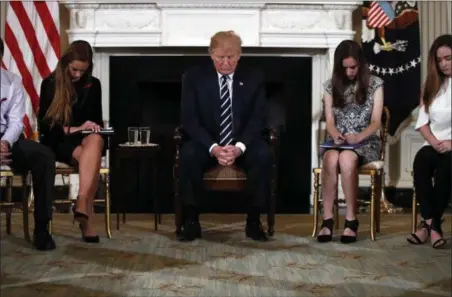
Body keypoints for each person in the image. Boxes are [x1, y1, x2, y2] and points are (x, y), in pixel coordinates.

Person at [179, 30, 272, 242]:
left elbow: (258, 119)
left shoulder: (254, 78)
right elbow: (190, 119)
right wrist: (214, 148)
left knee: (264, 154)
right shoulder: (194, 77)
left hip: (241, 143)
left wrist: (238, 147)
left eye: (231, 57)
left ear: (239, 55)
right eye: (220, 57)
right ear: (211, 54)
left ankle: (254, 220)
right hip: (207, 143)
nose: (226, 62)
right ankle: (191, 220)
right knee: (188, 154)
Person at [317, 40, 384, 244]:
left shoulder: (375, 84)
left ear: (360, 64)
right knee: (330, 157)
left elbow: (376, 122)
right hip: (340, 140)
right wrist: (335, 133)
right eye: (344, 68)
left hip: (366, 141)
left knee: (346, 159)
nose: (349, 72)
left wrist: (359, 136)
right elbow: (329, 121)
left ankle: (351, 220)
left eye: (353, 67)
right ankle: (327, 220)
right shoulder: (330, 86)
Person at [38, 40, 104, 243]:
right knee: (91, 160)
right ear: (66, 63)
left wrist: (92, 126)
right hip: (58, 140)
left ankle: (82, 199)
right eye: (74, 69)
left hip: (85, 140)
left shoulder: (93, 85)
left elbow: (97, 119)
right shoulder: (50, 84)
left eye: (82, 71)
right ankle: (86, 218)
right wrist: (77, 128)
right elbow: (47, 129)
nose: (77, 75)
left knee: (95, 139)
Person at [0, 37, 56, 250]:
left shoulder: (12, 81)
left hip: (9, 139)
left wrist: (4, 142)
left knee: (44, 156)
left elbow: (16, 121)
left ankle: (42, 229)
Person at [407, 34, 451, 249]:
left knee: (445, 171)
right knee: (421, 163)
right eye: (439, 60)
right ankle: (434, 226)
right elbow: (422, 124)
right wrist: (434, 142)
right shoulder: (431, 86)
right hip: (433, 143)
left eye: (448, 58)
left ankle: (426, 227)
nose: (443, 64)